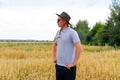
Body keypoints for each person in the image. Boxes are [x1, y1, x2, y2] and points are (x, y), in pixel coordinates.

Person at [52, 11, 82, 80]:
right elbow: (54, 45)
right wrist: (54, 56)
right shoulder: (58, 32)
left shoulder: (72, 33)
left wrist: (74, 63)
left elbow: (79, 47)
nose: (57, 22)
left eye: (58, 20)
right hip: (59, 66)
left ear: (64, 21)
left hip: (68, 68)